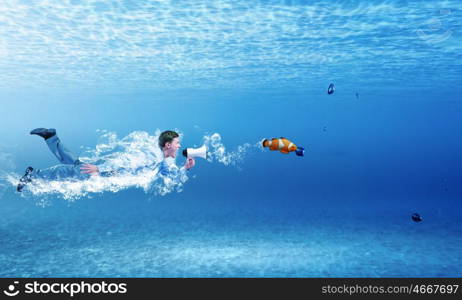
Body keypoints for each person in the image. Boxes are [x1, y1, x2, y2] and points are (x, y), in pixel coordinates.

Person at [17, 128, 195, 192]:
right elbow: (126, 161)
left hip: (108, 173)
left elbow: (171, 177)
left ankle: (51, 137)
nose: (180, 147)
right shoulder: (151, 155)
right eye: (177, 143)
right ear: (167, 145)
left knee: (76, 165)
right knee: (71, 172)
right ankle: (33, 176)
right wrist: (100, 169)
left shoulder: (163, 162)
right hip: (107, 171)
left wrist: (185, 169)